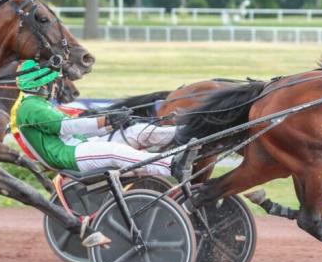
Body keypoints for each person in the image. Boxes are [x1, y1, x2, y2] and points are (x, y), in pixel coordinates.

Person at [10, 60, 194, 179]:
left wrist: (110, 125)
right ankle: (171, 165)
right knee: (114, 151)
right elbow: (67, 126)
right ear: (41, 84)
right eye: (52, 81)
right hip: (68, 156)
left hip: (79, 146)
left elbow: (76, 129)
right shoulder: (30, 107)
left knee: (136, 131)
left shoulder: (39, 104)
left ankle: (187, 133)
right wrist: (106, 120)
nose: (55, 85)